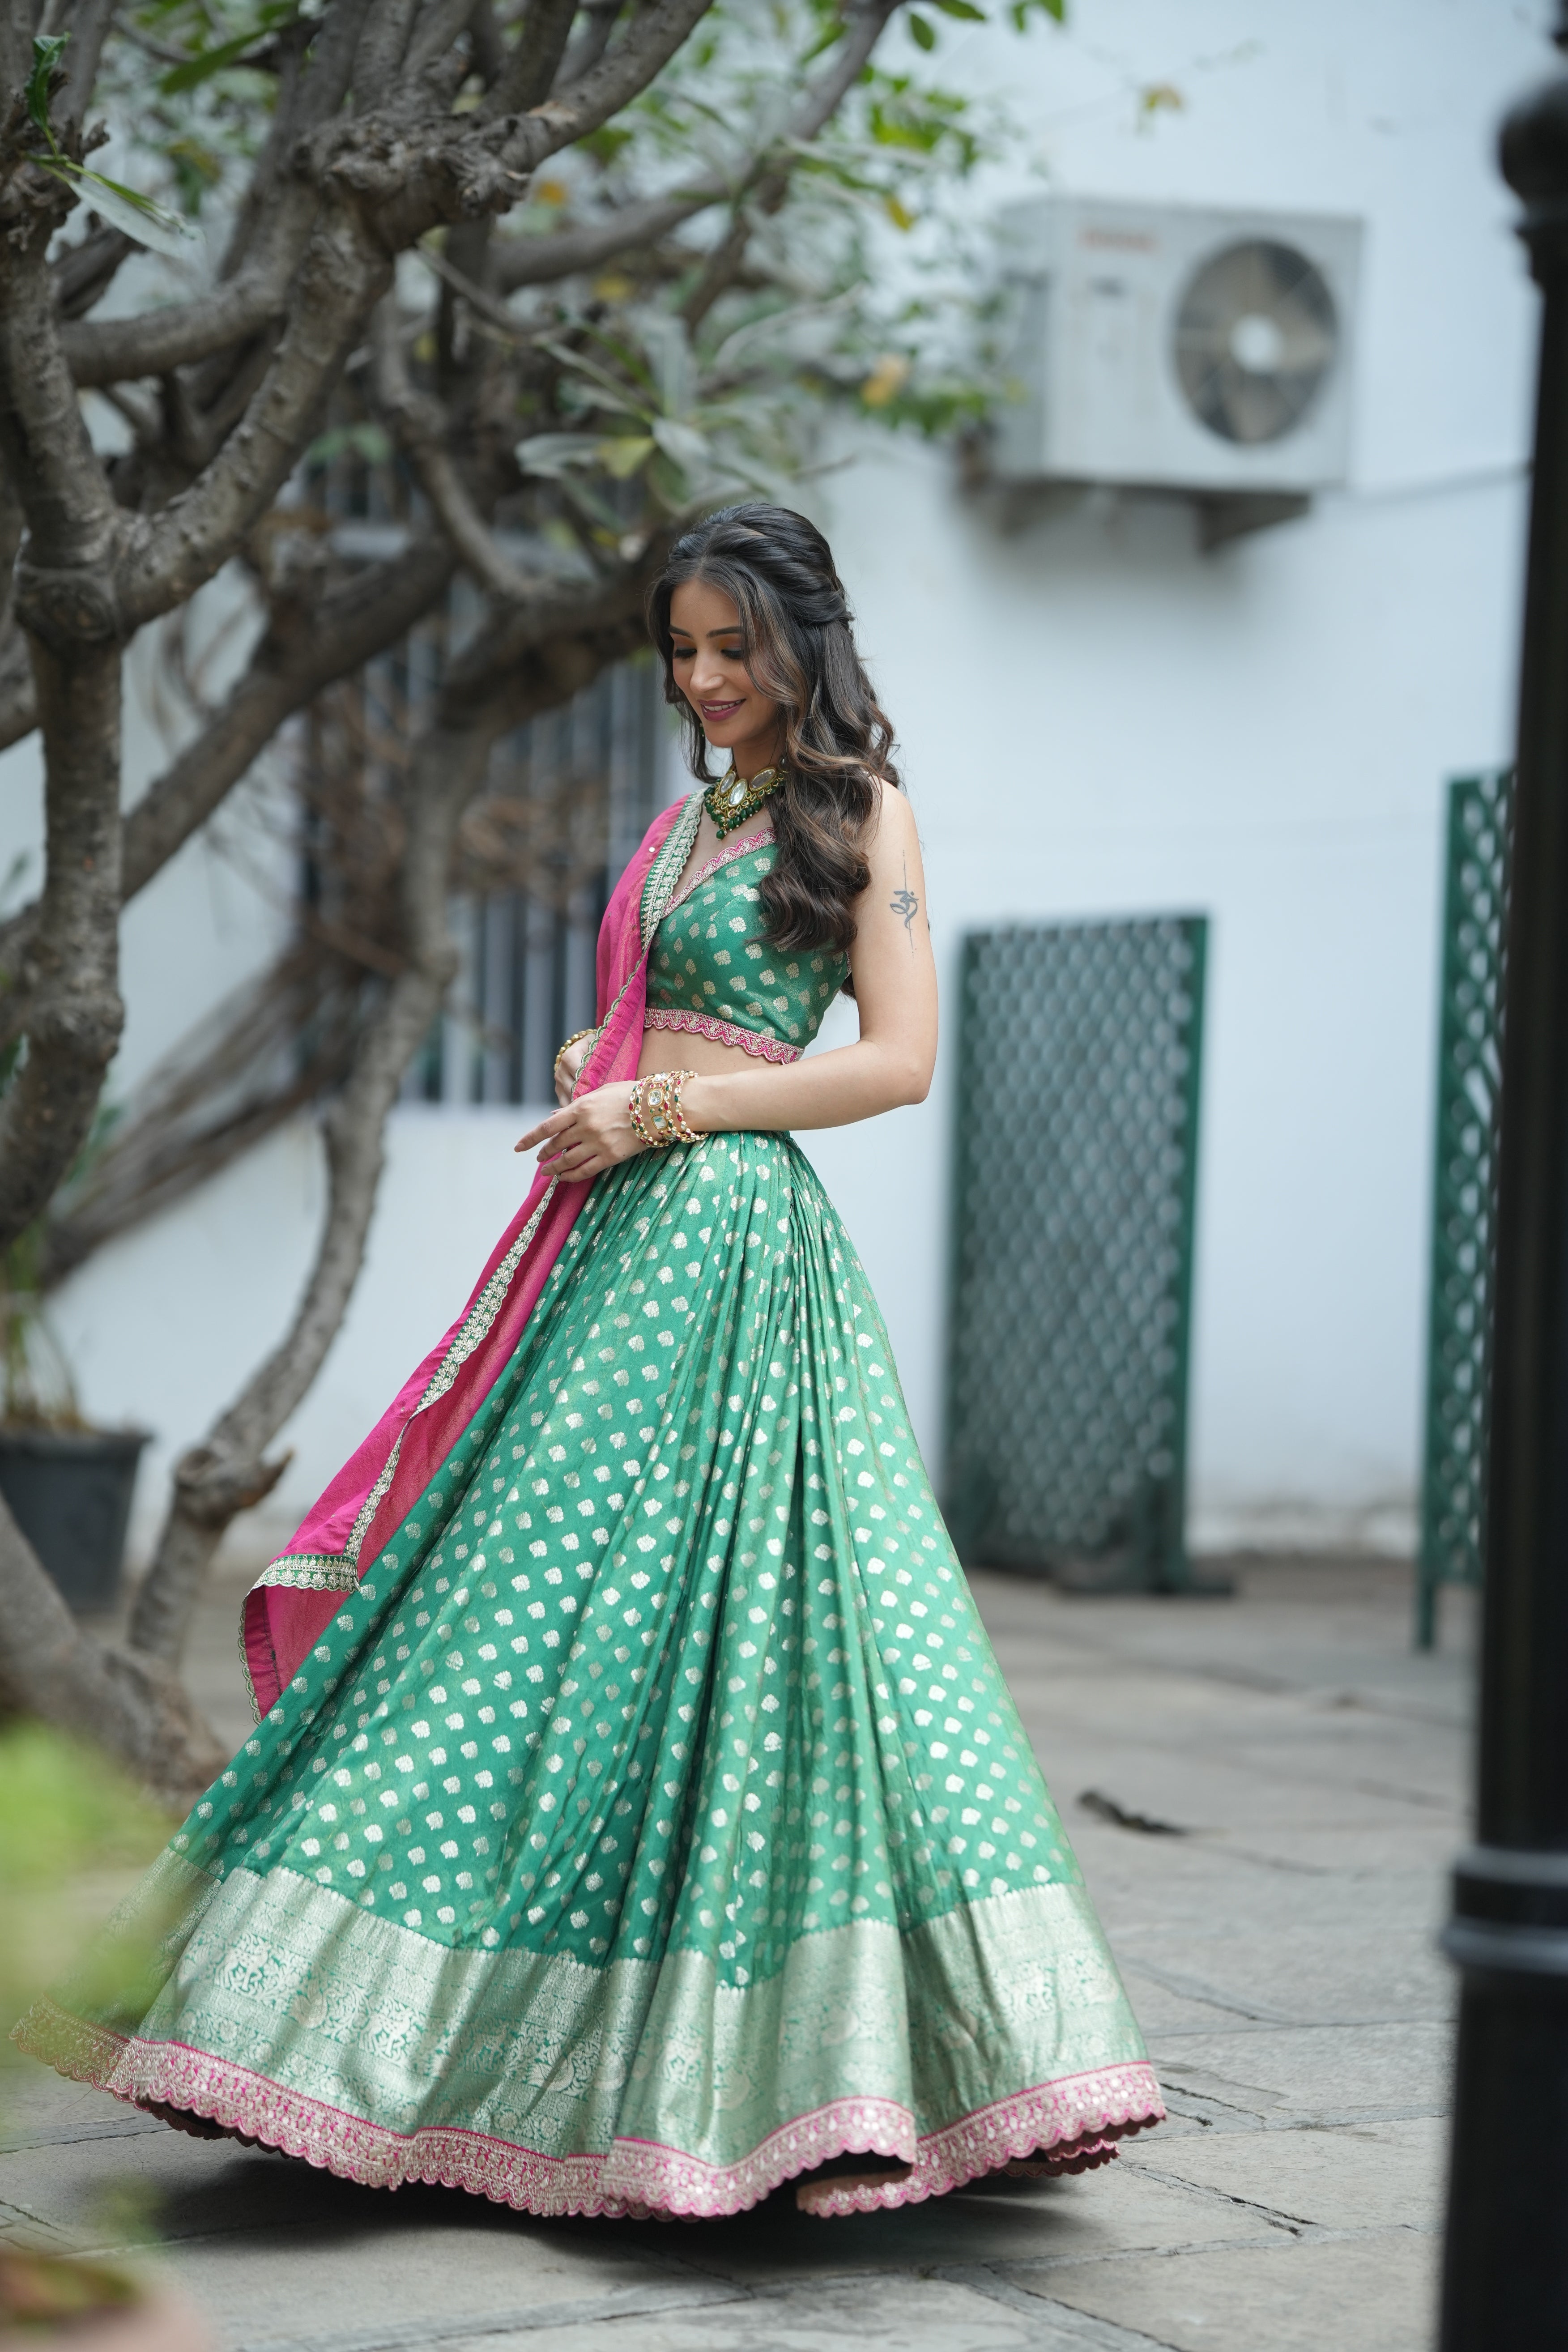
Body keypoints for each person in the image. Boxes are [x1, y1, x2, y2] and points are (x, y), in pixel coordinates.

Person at [17, 503, 1162, 2220]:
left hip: (727, 1251)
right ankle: (349, 2039)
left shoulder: (857, 808)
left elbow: (899, 1062)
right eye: (681, 651)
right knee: (513, 1601)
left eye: (732, 649)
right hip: (623, 1236)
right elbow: (685, 1010)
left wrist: (668, 1096)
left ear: (801, 638)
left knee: (741, 1629)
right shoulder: (696, 815)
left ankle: (799, 2077)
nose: (703, 681)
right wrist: (608, 1054)